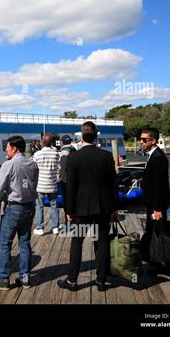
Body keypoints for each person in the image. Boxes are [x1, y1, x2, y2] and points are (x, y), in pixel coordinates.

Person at [57, 122, 118, 292]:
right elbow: (114, 183)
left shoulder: (74, 157)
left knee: (77, 243)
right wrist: (115, 208)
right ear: (96, 136)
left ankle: (73, 280)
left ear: (81, 137)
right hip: (103, 206)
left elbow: (71, 186)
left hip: (81, 207)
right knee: (102, 242)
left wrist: (69, 210)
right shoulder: (106, 156)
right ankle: (101, 280)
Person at [0, 136, 39, 291]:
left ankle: (4, 279)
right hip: (29, 207)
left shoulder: (8, 165)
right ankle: (25, 278)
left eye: (8, 147)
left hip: (14, 207)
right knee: (24, 243)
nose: (6, 150)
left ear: (15, 148)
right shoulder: (33, 164)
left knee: (5, 243)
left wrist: (4, 196)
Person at [140, 128, 170, 275]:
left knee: (157, 233)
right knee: (153, 231)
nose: (141, 142)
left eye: (144, 139)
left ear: (153, 140)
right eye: (141, 139)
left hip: (156, 205)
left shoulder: (158, 158)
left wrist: (157, 208)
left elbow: (160, 185)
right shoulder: (152, 155)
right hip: (152, 204)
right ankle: (154, 260)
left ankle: (160, 263)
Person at [32, 133, 60, 236]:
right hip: (52, 184)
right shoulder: (56, 154)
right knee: (54, 206)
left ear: (42, 142)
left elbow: (33, 168)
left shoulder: (37, 154)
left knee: (39, 206)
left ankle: (40, 228)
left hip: (40, 185)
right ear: (52, 142)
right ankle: (55, 227)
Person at [59, 135, 74, 216]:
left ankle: (68, 217)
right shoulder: (75, 150)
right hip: (74, 179)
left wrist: (61, 178)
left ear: (62, 142)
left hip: (66, 180)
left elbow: (63, 168)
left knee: (66, 200)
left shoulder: (63, 153)